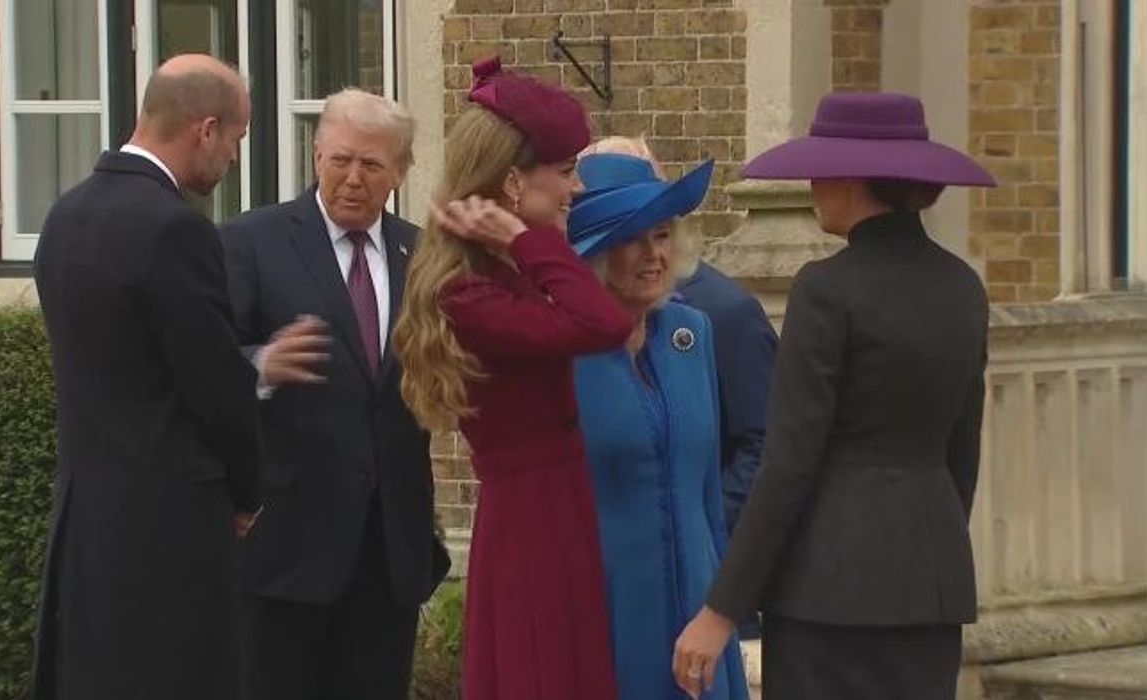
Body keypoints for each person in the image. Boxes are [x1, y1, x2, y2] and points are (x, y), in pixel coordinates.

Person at [673, 91, 994, 700]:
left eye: (822, 168)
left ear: (850, 178)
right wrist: (934, 552)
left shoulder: (826, 289)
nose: (813, 183)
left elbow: (788, 461)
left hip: (827, 587)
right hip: (930, 583)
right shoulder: (963, 287)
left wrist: (721, 608)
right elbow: (963, 450)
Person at [393, 57, 631, 700]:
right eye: (566, 171)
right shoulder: (468, 295)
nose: (577, 188)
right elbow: (602, 324)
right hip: (529, 522)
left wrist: (525, 246)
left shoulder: (505, 274)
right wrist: (530, 241)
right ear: (514, 184)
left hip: (558, 506)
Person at [31, 54, 261, 700]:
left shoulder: (65, 216)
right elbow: (216, 385)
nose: (233, 158)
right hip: (170, 529)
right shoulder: (174, 230)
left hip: (84, 520)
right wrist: (247, 491)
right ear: (206, 130)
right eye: (237, 139)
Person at [220, 88, 449, 700]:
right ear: (316, 154)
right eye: (340, 159)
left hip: (388, 549)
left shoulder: (424, 254)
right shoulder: (252, 242)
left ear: (400, 171)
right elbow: (203, 364)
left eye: (371, 164)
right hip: (285, 546)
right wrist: (261, 365)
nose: (353, 178)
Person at [566, 152, 753, 700]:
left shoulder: (691, 334)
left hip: (699, 608)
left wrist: (721, 609)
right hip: (607, 605)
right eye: (634, 239)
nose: (655, 254)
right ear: (596, 253)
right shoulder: (562, 352)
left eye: (663, 234)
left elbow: (709, 494)